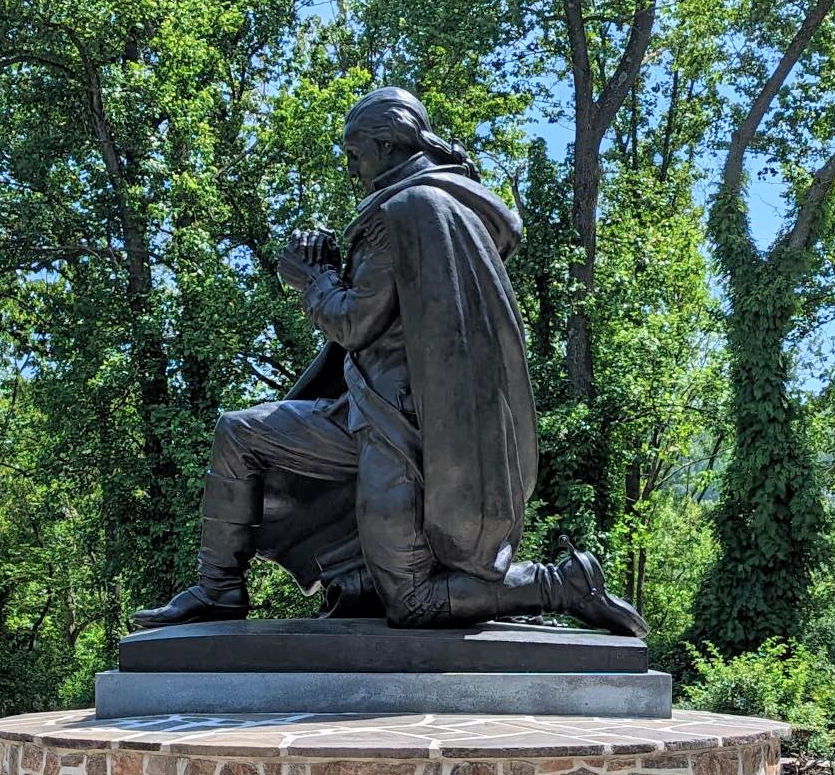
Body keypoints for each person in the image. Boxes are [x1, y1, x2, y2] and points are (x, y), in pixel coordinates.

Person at [133, 87, 645, 637]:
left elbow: (355, 323)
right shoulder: (436, 208)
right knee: (239, 434)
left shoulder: (406, 212)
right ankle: (219, 587)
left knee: (414, 602)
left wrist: (312, 277)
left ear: (387, 144)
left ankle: (561, 584)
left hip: (400, 429)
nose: (352, 169)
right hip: (363, 408)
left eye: (355, 154)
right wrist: (334, 265)